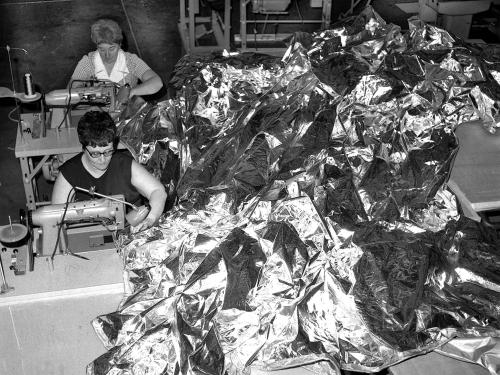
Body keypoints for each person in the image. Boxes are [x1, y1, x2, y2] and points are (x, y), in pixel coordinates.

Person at [51, 111, 167, 230]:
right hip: (86, 236)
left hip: (131, 231)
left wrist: (150, 219)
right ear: (83, 148)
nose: (102, 159)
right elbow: (55, 221)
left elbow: (158, 191)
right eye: (95, 153)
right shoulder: (69, 174)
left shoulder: (124, 165)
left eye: (108, 151)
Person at [70, 18, 163, 98]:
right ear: (96, 45)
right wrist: (89, 92)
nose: (107, 55)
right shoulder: (88, 63)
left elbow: (157, 82)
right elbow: (69, 92)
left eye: (112, 48)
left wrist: (132, 92)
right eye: (101, 49)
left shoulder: (131, 61)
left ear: (120, 44)